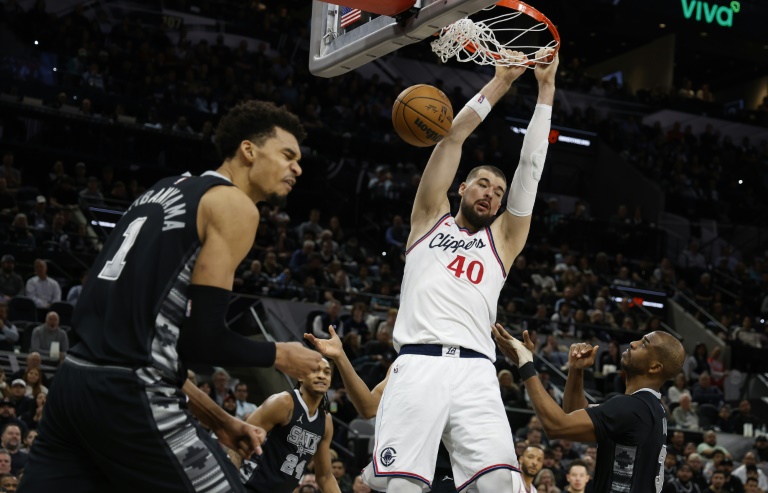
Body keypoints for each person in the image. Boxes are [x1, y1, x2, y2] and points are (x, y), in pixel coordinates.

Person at [20, 100, 323, 492]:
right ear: (249, 150)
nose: (297, 168)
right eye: (287, 155)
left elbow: (140, 345)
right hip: (129, 396)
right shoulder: (234, 205)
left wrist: (222, 421)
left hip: (72, 387)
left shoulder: (160, 192)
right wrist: (281, 354)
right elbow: (202, 341)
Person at [362, 48, 558, 493]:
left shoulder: (504, 242)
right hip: (418, 365)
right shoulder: (430, 217)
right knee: (403, 488)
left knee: (502, 488)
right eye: (483, 183)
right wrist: (502, 81)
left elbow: (531, 168)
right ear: (462, 187)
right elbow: (450, 138)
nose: (491, 193)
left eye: (499, 190)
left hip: (476, 372)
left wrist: (545, 89)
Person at [493, 325, 686, 493]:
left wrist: (525, 364)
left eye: (644, 344)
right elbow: (573, 416)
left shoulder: (632, 408)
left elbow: (557, 426)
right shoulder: (649, 408)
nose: (633, 343)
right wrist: (576, 371)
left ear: (654, 367)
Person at [306, 326, 458, 493]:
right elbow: (368, 406)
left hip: (454, 470)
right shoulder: (404, 363)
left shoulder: (472, 363)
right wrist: (340, 356)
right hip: (409, 468)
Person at [240, 359, 340, 493]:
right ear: (301, 376)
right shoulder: (284, 403)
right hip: (248, 487)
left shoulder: (326, 421)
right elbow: (238, 441)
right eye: (315, 370)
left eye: (327, 373)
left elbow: (325, 477)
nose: (322, 375)